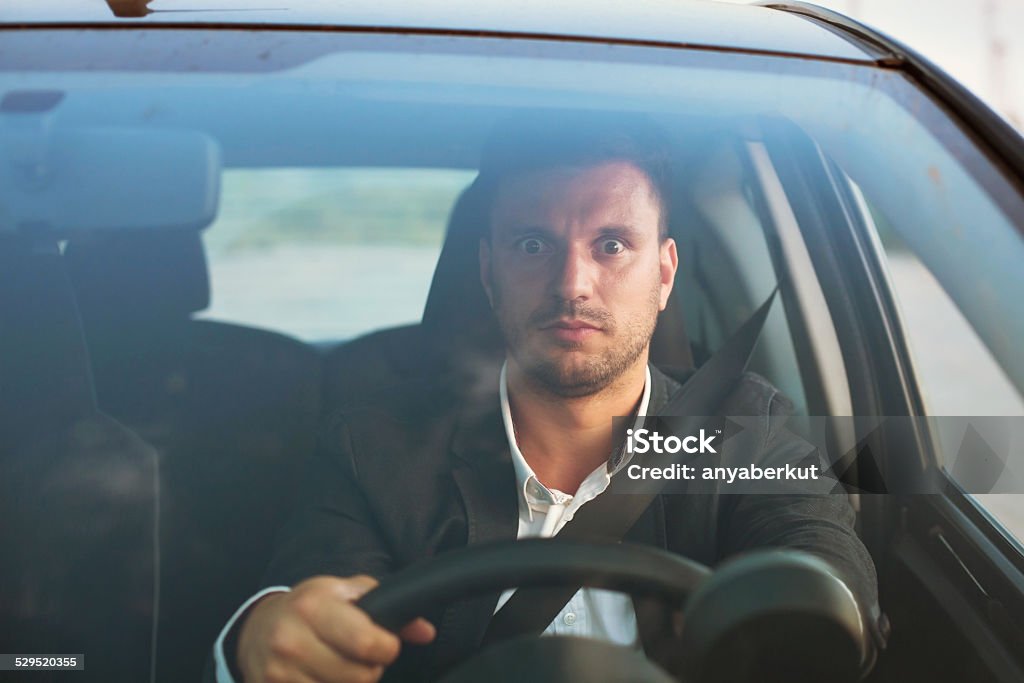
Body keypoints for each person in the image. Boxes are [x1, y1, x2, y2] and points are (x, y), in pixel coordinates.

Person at [211, 116, 881, 683]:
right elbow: (311, 601)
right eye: (533, 244)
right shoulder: (374, 450)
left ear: (666, 272)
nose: (572, 283)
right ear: (487, 272)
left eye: (611, 244)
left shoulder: (745, 431)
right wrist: (260, 634)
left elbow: (823, 566)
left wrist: (808, 609)